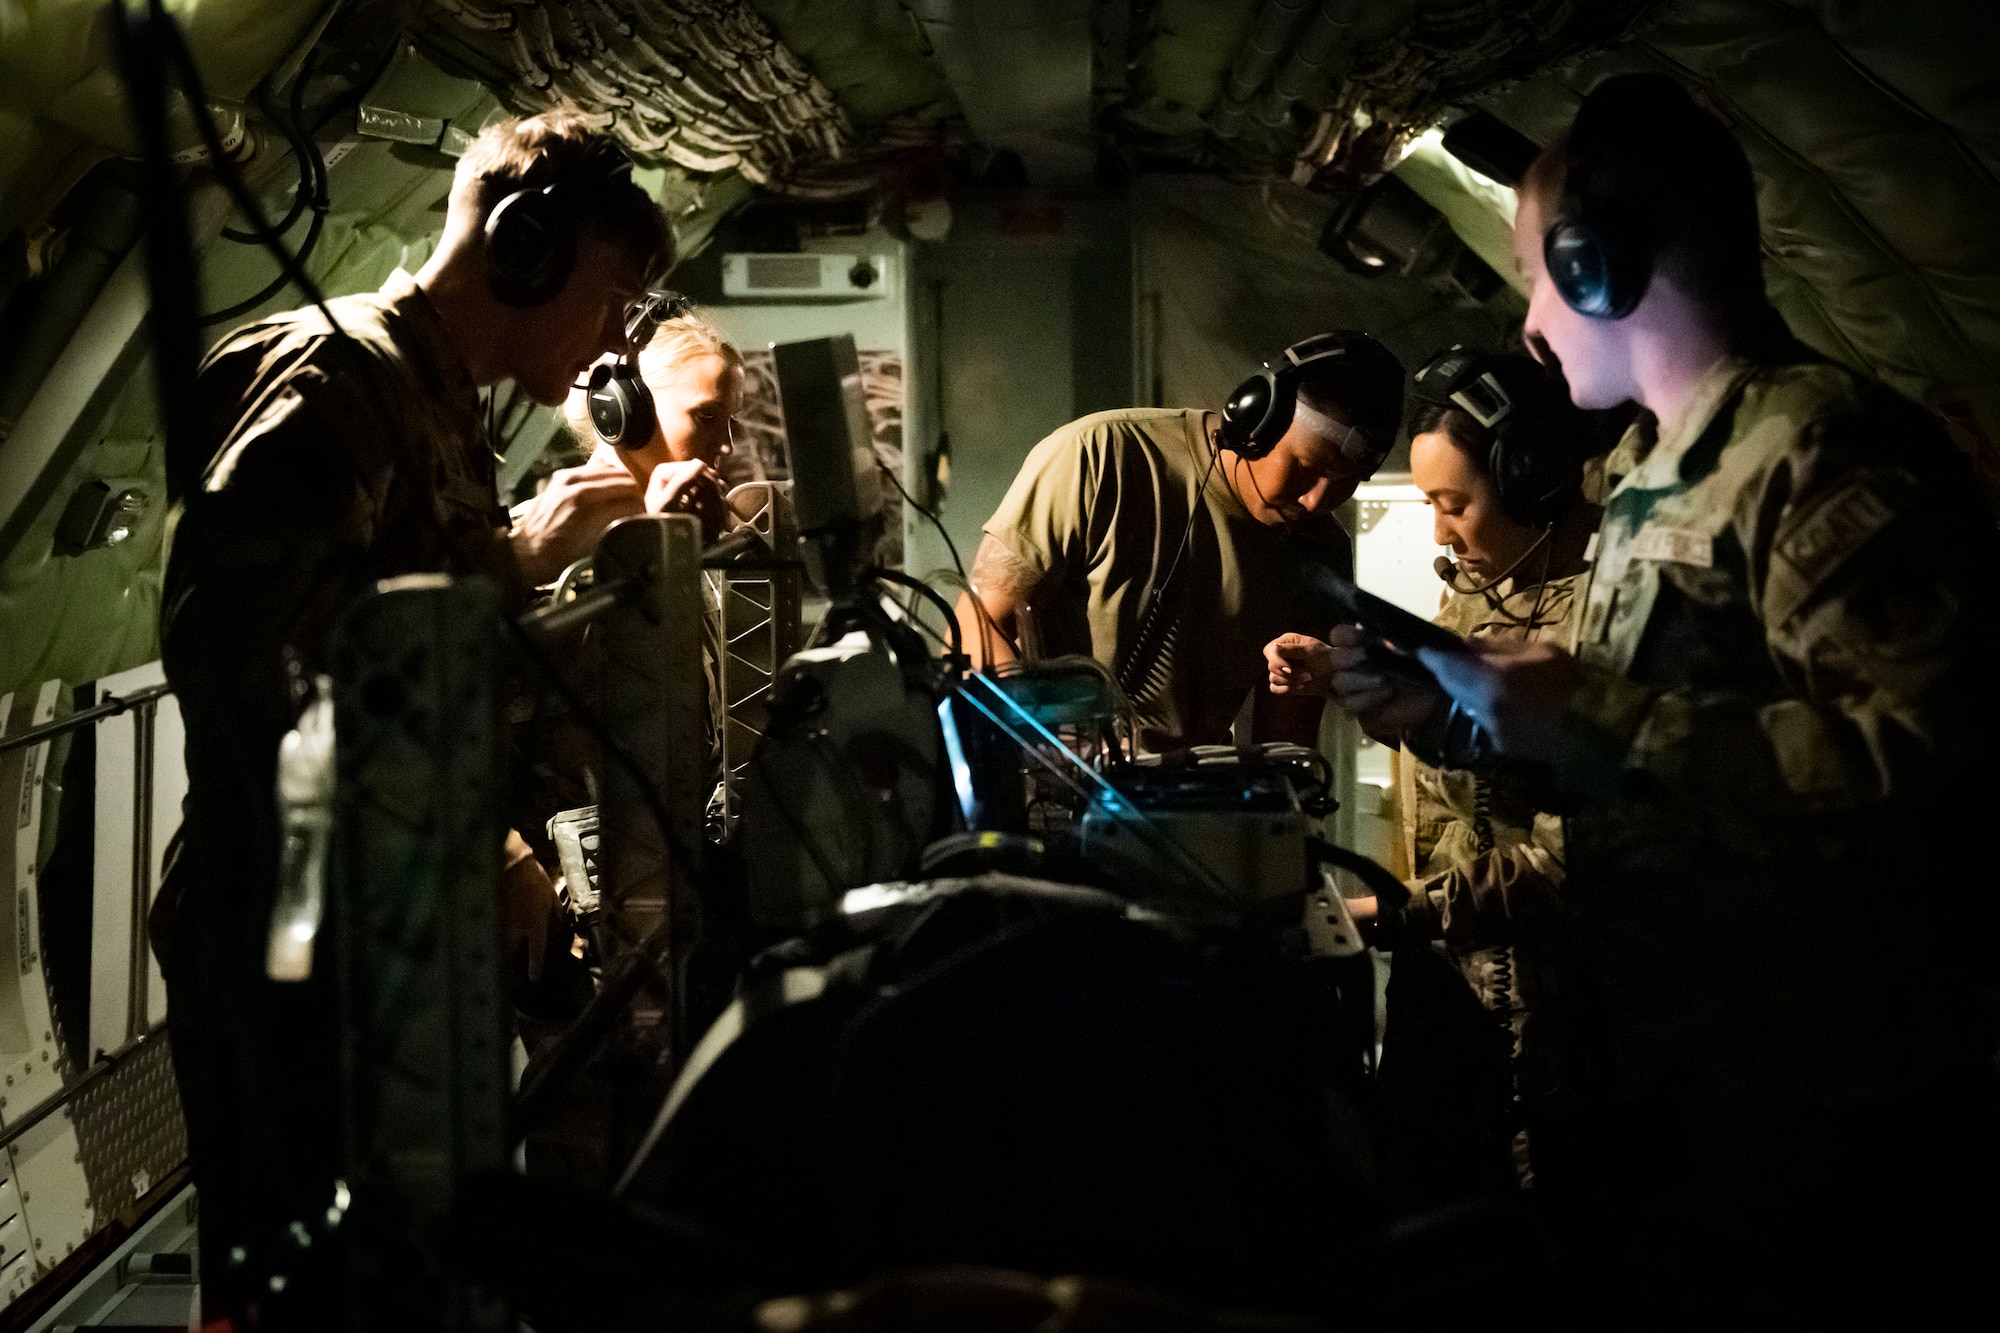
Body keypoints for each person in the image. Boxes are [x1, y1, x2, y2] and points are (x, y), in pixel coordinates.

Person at [1309, 74, 1998, 1320]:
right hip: (1651, 1107)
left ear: (1596, 269)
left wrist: (1588, 718)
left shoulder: (1816, 451)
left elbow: (1932, 770)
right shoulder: (1649, 473)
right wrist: (1461, 724)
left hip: (1800, 1137)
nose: (1526, 321)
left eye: (1532, 275)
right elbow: (1656, 775)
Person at [153, 109, 674, 1309]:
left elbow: (387, 613)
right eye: (606, 297)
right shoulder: (336, 381)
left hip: (373, 922)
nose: (609, 340)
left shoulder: (434, 404)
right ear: (525, 247)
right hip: (289, 922)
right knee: (293, 1283)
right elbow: (244, 656)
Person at [1266, 349, 1602, 1205]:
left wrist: (1396, 912)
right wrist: (1353, 685)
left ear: (1534, 481)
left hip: (1551, 1019)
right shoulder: (1480, 599)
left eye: (1455, 505)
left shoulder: (1607, 620)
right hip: (1445, 990)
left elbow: (1575, 864)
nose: (1442, 534)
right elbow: (1472, 783)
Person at [954, 332, 1406, 752]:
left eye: (1344, 483)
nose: (1315, 500)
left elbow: (1285, 744)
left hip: (1194, 806)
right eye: (1306, 467)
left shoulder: (1320, 551)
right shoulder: (1099, 455)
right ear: (1257, 419)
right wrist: (1054, 747)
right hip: (1053, 786)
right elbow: (975, 625)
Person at [565, 304, 747, 542]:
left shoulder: (693, 523)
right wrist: (651, 542)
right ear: (627, 410)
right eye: (707, 417)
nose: (726, 446)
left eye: (729, 421)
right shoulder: (556, 541)